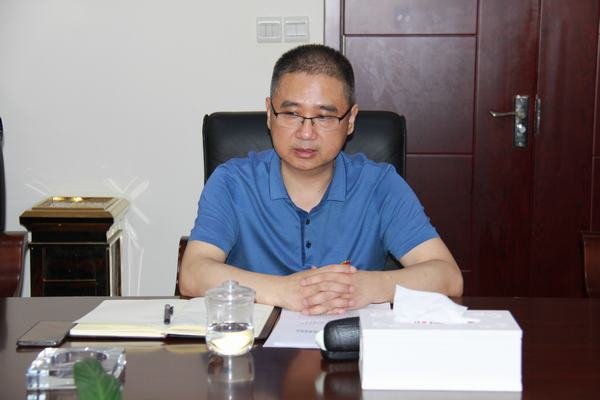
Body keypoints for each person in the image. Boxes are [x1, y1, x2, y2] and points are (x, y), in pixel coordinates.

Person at [179, 44, 462, 315]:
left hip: (352, 341)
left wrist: (367, 287)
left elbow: (448, 277)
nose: (306, 133)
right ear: (269, 114)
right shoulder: (232, 182)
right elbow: (192, 274)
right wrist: (283, 291)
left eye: (324, 117)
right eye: (291, 113)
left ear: (350, 120)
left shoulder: (380, 185)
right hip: (253, 345)